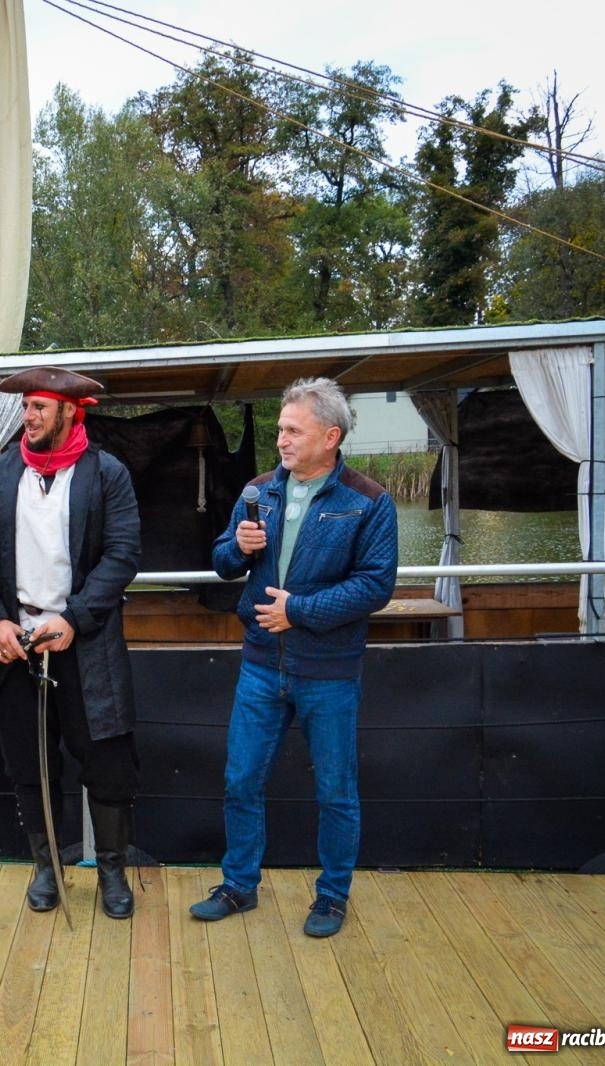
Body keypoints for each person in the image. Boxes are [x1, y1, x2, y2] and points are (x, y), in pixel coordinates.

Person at [189, 377, 398, 938]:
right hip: (261, 665)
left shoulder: (369, 501)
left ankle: (331, 897)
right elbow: (223, 562)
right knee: (241, 781)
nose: (280, 440)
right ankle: (239, 886)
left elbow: (376, 585)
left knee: (335, 791)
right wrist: (238, 547)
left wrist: (298, 611)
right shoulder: (259, 490)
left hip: (329, 671)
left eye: (292, 431)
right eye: (280, 429)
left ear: (330, 437)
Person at [0, 367, 143, 919]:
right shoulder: (0, 473)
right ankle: (46, 867)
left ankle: (111, 871)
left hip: (86, 644)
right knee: (29, 762)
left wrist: (75, 619)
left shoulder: (106, 473)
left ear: (69, 411)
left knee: (107, 762)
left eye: (39, 406)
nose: (29, 416)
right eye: (26, 407)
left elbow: (123, 554)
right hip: (15, 645)